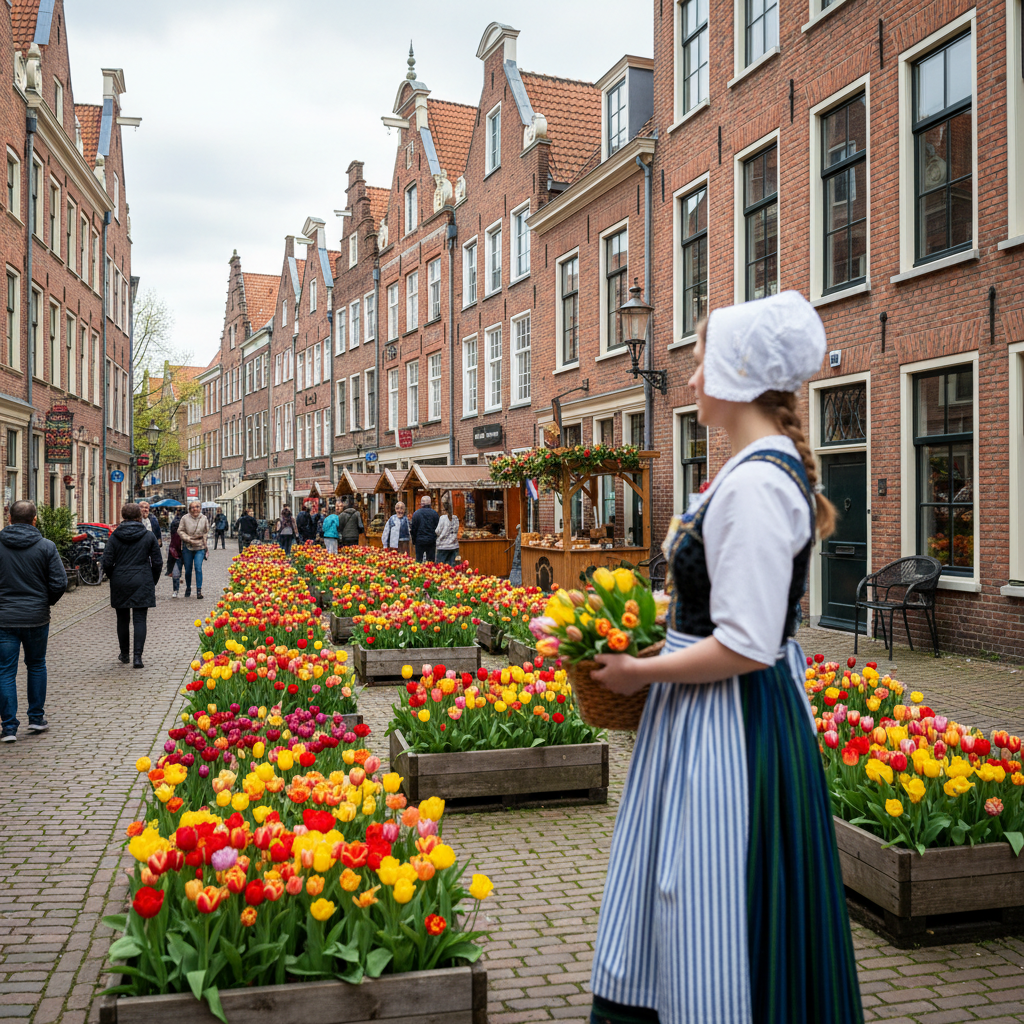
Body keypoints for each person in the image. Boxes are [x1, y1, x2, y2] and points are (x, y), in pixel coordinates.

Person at [588, 292, 862, 1024]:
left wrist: (638, 671)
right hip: (709, 719)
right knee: (683, 887)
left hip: (730, 729)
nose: (694, 372)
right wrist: (638, 623)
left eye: (705, 357)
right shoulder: (748, 474)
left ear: (740, 374)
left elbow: (746, 643)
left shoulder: (758, 487)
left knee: (712, 891)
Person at [0, 500, 67, 741]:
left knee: (5, 671)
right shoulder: (46, 546)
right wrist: (44, 602)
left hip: (4, 618)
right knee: (36, 665)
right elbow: (60, 582)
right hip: (37, 617)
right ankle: (36, 719)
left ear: (9, 519)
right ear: (35, 519)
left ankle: (8, 727)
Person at [101, 503, 161, 669]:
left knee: (122, 619)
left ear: (123, 517)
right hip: (142, 579)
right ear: (139, 516)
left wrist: (114, 576)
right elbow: (157, 562)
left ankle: (124, 654)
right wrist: (151, 580)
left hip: (120, 579)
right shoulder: (148, 536)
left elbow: (106, 562)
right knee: (140, 619)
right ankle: (137, 657)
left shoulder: (114, 536)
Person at [177, 500, 209, 599]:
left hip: (200, 546)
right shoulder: (184, 518)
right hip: (188, 546)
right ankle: (188, 587)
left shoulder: (204, 518)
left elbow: (206, 531)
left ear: (200, 508)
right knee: (188, 570)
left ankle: (199, 590)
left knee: (198, 568)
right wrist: (188, 538)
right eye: (193, 507)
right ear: (189, 509)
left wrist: (204, 541)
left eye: (197, 507)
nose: (195, 509)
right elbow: (180, 530)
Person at [410, 495, 439, 563]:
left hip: (419, 540)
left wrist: (414, 541)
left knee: (419, 560)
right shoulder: (435, 514)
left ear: (421, 503)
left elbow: (413, 529)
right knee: (431, 561)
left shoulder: (416, 514)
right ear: (430, 503)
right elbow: (438, 528)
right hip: (431, 541)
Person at [434, 497, 459, 565]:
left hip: (443, 546)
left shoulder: (442, 518)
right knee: (453, 567)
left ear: (444, 509)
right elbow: (456, 530)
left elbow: (437, 531)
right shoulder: (455, 518)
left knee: (441, 567)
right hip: (454, 546)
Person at [167, 512, 184, 597]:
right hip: (177, 553)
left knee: (178, 572)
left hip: (182, 552)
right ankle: (176, 590)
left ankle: (177, 589)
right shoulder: (175, 535)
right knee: (176, 572)